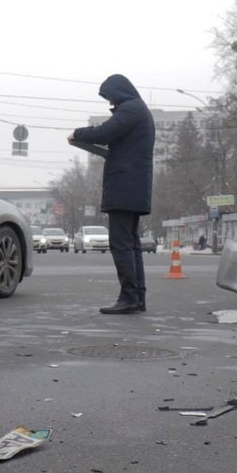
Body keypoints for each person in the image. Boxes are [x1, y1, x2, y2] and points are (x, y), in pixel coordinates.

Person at [68, 74, 156, 314]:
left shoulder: (130, 109)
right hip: (133, 186)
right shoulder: (137, 109)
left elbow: (105, 133)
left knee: (121, 244)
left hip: (125, 186)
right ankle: (137, 298)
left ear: (118, 92)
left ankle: (129, 297)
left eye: (109, 96)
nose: (109, 102)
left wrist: (78, 133)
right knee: (131, 244)